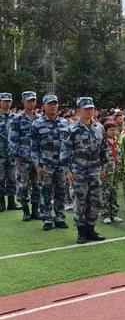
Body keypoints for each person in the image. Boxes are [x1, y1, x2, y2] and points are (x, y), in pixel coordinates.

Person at [60, 97, 107, 244]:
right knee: (79, 201)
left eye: (91, 108)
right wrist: (67, 171)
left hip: (95, 167)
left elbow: (103, 149)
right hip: (78, 169)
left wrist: (104, 167)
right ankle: (81, 231)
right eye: (86, 108)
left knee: (96, 201)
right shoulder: (71, 129)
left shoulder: (99, 127)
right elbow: (64, 152)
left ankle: (91, 229)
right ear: (79, 110)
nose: (90, 111)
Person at [30, 95, 70, 230]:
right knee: (45, 191)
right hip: (45, 163)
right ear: (44, 106)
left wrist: (68, 165)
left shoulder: (65, 123)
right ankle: (46, 218)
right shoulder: (37, 123)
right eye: (50, 104)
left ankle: (59, 217)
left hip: (61, 163)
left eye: (55, 104)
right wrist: (36, 165)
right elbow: (34, 147)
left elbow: (69, 145)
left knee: (61, 191)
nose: (53, 106)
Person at [8, 91, 40, 221]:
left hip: (37, 159)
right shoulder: (17, 118)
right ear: (23, 102)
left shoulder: (39, 118)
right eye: (28, 101)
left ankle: (35, 211)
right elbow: (12, 139)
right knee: (23, 185)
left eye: (33, 100)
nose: (31, 103)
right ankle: (26, 210)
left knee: (38, 185)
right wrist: (15, 156)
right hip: (23, 157)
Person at [100, 122, 123, 224]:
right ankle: (106, 214)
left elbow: (120, 156)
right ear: (105, 132)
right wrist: (101, 169)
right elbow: (100, 157)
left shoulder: (117, 142)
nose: (113, 132)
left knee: (114, 193)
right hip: (106, 171)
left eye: (115, 130)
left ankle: (114, 214)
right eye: (111, 130)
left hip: (115, 171)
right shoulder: (103, 143)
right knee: (105, 193)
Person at [0, 93, 19, 212]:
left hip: (12, 154)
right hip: (0, 154)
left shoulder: (16, 118)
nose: (7, 103)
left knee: (13, 178)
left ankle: (12, 202)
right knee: (0, 179)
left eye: (9, 101)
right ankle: (1, 203)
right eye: (4, 101)